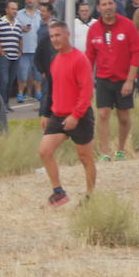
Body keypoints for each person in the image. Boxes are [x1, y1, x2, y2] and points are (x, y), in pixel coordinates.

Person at [39, 22, 96, 206]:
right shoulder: (55, 60)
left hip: (79, 116)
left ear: (67, 35)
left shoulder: (80, 59)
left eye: (58, 35)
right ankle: (59, 192)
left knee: (85, 157)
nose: (55, 39)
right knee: (44, 151)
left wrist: (76, 116)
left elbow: (87, 92)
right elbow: (53, 89)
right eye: (52, 36)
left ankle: (90, 196)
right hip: (58, 115)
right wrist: (46, 113)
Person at [87, 0, 139, 162]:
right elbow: (89, 57)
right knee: (103, 114)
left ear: (115, 5)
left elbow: (136, 53)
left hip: (123, 79)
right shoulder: (94, 29)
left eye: (110, 3)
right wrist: (87, 81)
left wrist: (130, 80)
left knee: (124, 116)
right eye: (103, 4)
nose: (107, 7)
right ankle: (105, 152)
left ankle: (121, 149)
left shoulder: (127, 25)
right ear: (98, 8)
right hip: (103, 79)